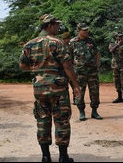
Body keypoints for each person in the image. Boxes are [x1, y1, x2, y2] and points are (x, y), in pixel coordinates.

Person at [19, 14, 80, 162]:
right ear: (49, 25)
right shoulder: (57, 43)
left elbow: (22, 66)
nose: (58, 27)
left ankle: (45, 157)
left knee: (42, 121)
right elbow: (67, 66)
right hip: (57, 88)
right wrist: (76, 87)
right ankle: (63, 157)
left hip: (39, 89)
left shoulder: (29, 44)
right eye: (57, 25)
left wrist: (38, 71)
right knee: (62, 120)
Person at [69, 23, 102, 121]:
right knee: (80, 92)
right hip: (79, 72)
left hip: (92, 71)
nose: (86, 32)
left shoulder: (91, 41)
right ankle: (81, 112)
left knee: (95, 92)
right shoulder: (73, 42)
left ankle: (94, 111)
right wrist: (72, 70)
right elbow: (69, 57)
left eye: (87, 30)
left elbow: (96, 53)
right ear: (78, 30)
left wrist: (97, 65)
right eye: (84, 30)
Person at [109, 32, 123, 104]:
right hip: (115, 66)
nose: (120, 38)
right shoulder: (112, 43)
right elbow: (111, 50)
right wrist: (118, 45)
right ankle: (119, 97)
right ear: (116, 37)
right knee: (116, 81)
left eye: (121, 36)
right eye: (118, 37)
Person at [60, 31, 76, 105]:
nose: (68, 40)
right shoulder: (60, 47)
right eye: (66, 39)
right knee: (63, 85)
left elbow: (72, 56)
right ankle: (63, 100)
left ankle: (75, 99)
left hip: (70, 67)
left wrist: (72, 64)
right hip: (63, 69)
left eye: (68, 38)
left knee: (73, 84)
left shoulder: (70, 47)